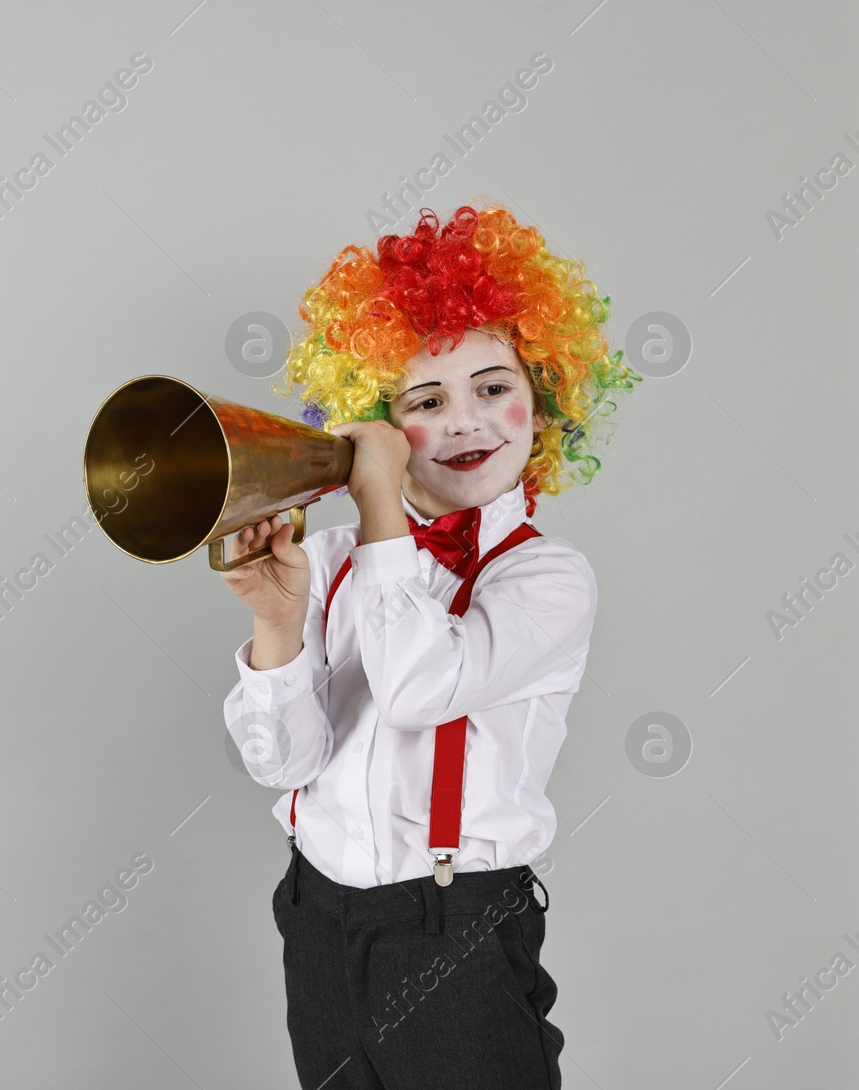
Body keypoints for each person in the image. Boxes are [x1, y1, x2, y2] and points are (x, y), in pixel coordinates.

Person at [221, 204, 641, 1089]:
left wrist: (377, 507)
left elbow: (421, 688)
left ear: (545, 400)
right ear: (376, 423)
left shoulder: (548, 579)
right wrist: (277, 625)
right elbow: (280, 762)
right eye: (424, 401)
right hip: (317, 918)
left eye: (494, 387)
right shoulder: (334, 563)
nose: (466, 422)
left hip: (455, 933)